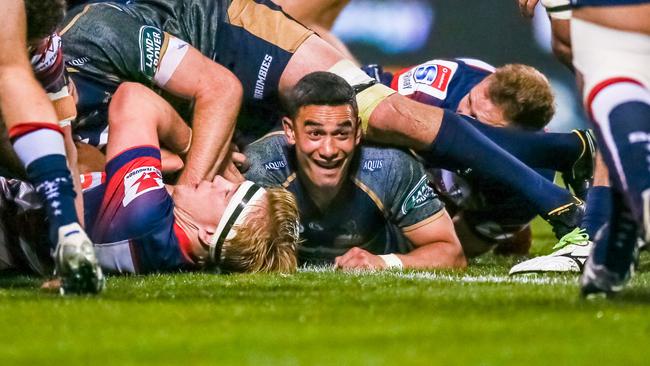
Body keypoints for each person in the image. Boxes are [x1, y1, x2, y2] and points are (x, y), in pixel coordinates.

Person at [60, 0, 584, 241]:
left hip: (226, 30)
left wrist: (193, 189)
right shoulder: (44, 128)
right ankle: (571, 150)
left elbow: (220, 87)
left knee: (387, 114)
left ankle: (562, 204)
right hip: (214, 97)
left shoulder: (92, 35)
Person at [67, 82, 300, 275]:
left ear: (209, 235)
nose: (219, 181)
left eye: (227, 194)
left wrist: (191, 145)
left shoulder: (146, 215)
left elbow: (132, 98)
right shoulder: (183, 255)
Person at [245, 72, 466, 270]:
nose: (329, 150)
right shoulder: (259, 167)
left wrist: (384, 262)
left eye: (341, 134)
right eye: (315, 134)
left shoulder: (391, 165)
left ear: (358, 132)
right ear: (290, 131)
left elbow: (452, 253)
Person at [0, 0, 103, 294]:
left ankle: (70, 233)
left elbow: (67, 149)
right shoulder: (43, 49)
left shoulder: (45, 49)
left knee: (12, 72)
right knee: (12, 73)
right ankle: (68, 230)